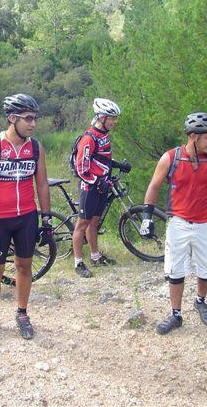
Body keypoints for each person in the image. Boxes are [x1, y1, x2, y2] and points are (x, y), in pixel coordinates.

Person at [140, 112, 207, 334]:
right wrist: (147, 217)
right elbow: (154, 186)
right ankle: (176, 315)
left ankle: (200, 300)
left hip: (204, 224)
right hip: (178, 224)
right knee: (175, 270)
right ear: (192, 136)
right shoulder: (171, 158)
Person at [0, 93, 52, 341]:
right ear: (12, 118)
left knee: (23, 266)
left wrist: (47, 219)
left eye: (34, 119)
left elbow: (42, 185)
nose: (33, 123)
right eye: (28, 119)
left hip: (27, 217)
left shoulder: (36, 147)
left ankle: (22, 313)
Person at [72, 98, 131, 278]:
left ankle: (95, 257)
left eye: (115, 118)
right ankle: (78, 263)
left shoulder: (103, 135)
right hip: (90, 188)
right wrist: (97, 181)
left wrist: (118, 165)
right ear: (101, 117)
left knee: (94, 223)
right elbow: (81, 168)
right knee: (82, 224)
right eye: (111, 118)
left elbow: (102, 159)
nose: (114, 121)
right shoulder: (89, 138)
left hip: (101, 186)